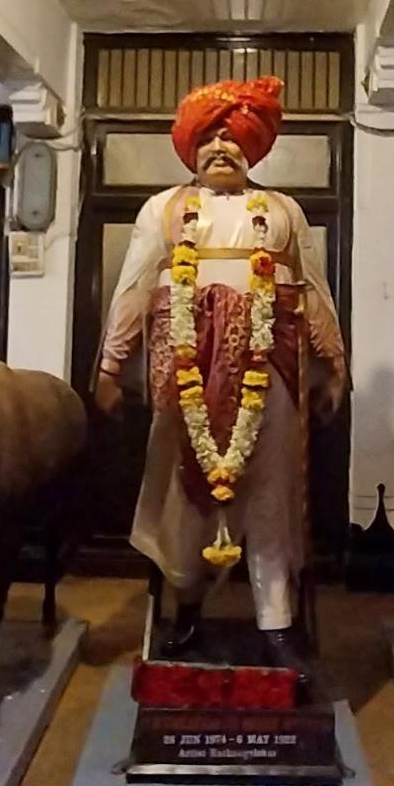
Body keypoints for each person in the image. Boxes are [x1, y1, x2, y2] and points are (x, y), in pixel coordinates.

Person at [94, 76, 347, 674]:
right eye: (209, 137)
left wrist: (335, 365)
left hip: (272, 371)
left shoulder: (283, 211)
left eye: (232, 137)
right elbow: (132, 289)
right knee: (184, 491)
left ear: (253, 146)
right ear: (190, 146)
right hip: (184, 372)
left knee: (270, 494)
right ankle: (186, 611)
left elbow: (314, 291)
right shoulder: (163, 209)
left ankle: (277, 623)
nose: (220, 148)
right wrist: (110, 365)